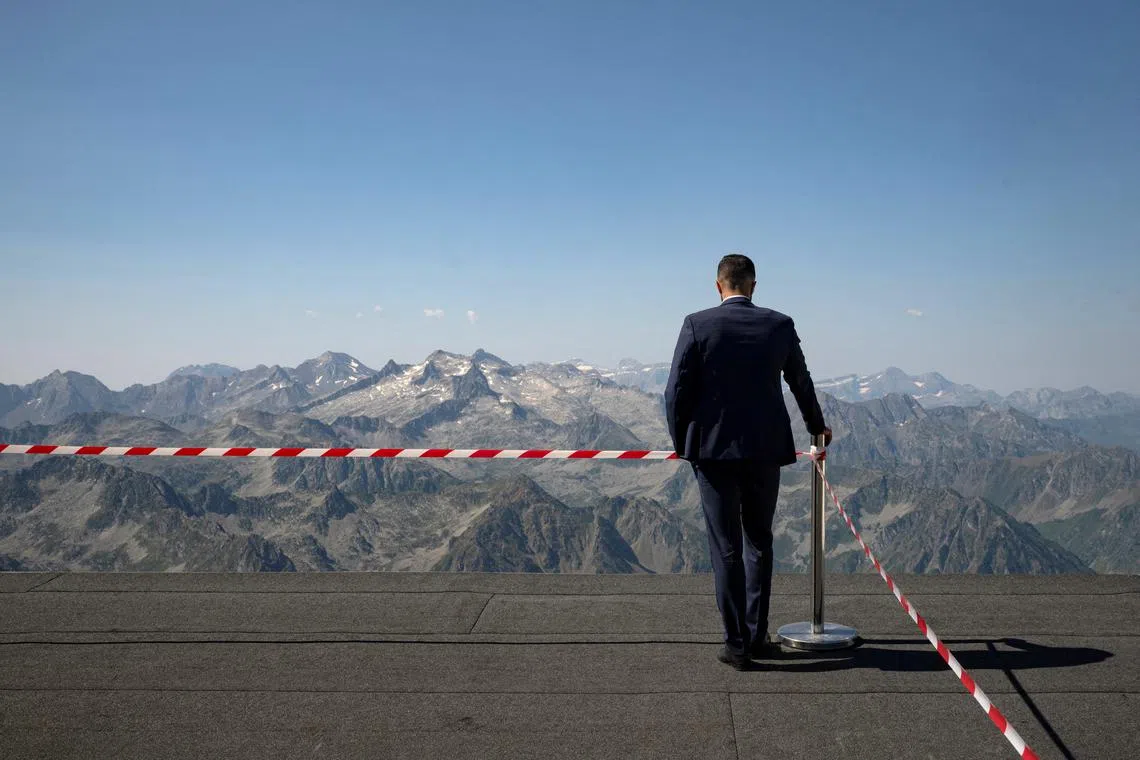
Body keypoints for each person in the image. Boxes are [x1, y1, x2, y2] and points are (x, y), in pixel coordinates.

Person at [664, 253, 832, 670]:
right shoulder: (779, 325)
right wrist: (817, 425)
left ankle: (736, 645)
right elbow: (800, 382)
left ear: (718, 285)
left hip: (713, 453)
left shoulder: (696, 325)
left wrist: (685, 441)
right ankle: (758, 635)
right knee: (759, 541)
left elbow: (674, 392)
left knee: (725, 549)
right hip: (764, 451)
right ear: (753, 286)